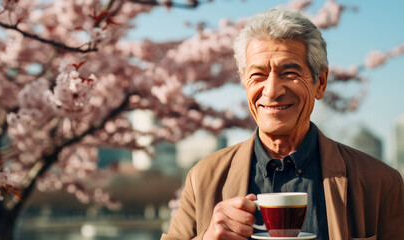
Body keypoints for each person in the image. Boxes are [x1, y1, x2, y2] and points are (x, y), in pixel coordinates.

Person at [161, 8, 404, 240]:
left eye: (290, 72)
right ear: (245, 84)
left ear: (320, 83)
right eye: (258, 75)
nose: (272, 90)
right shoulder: (203, 178)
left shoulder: (379, 182)